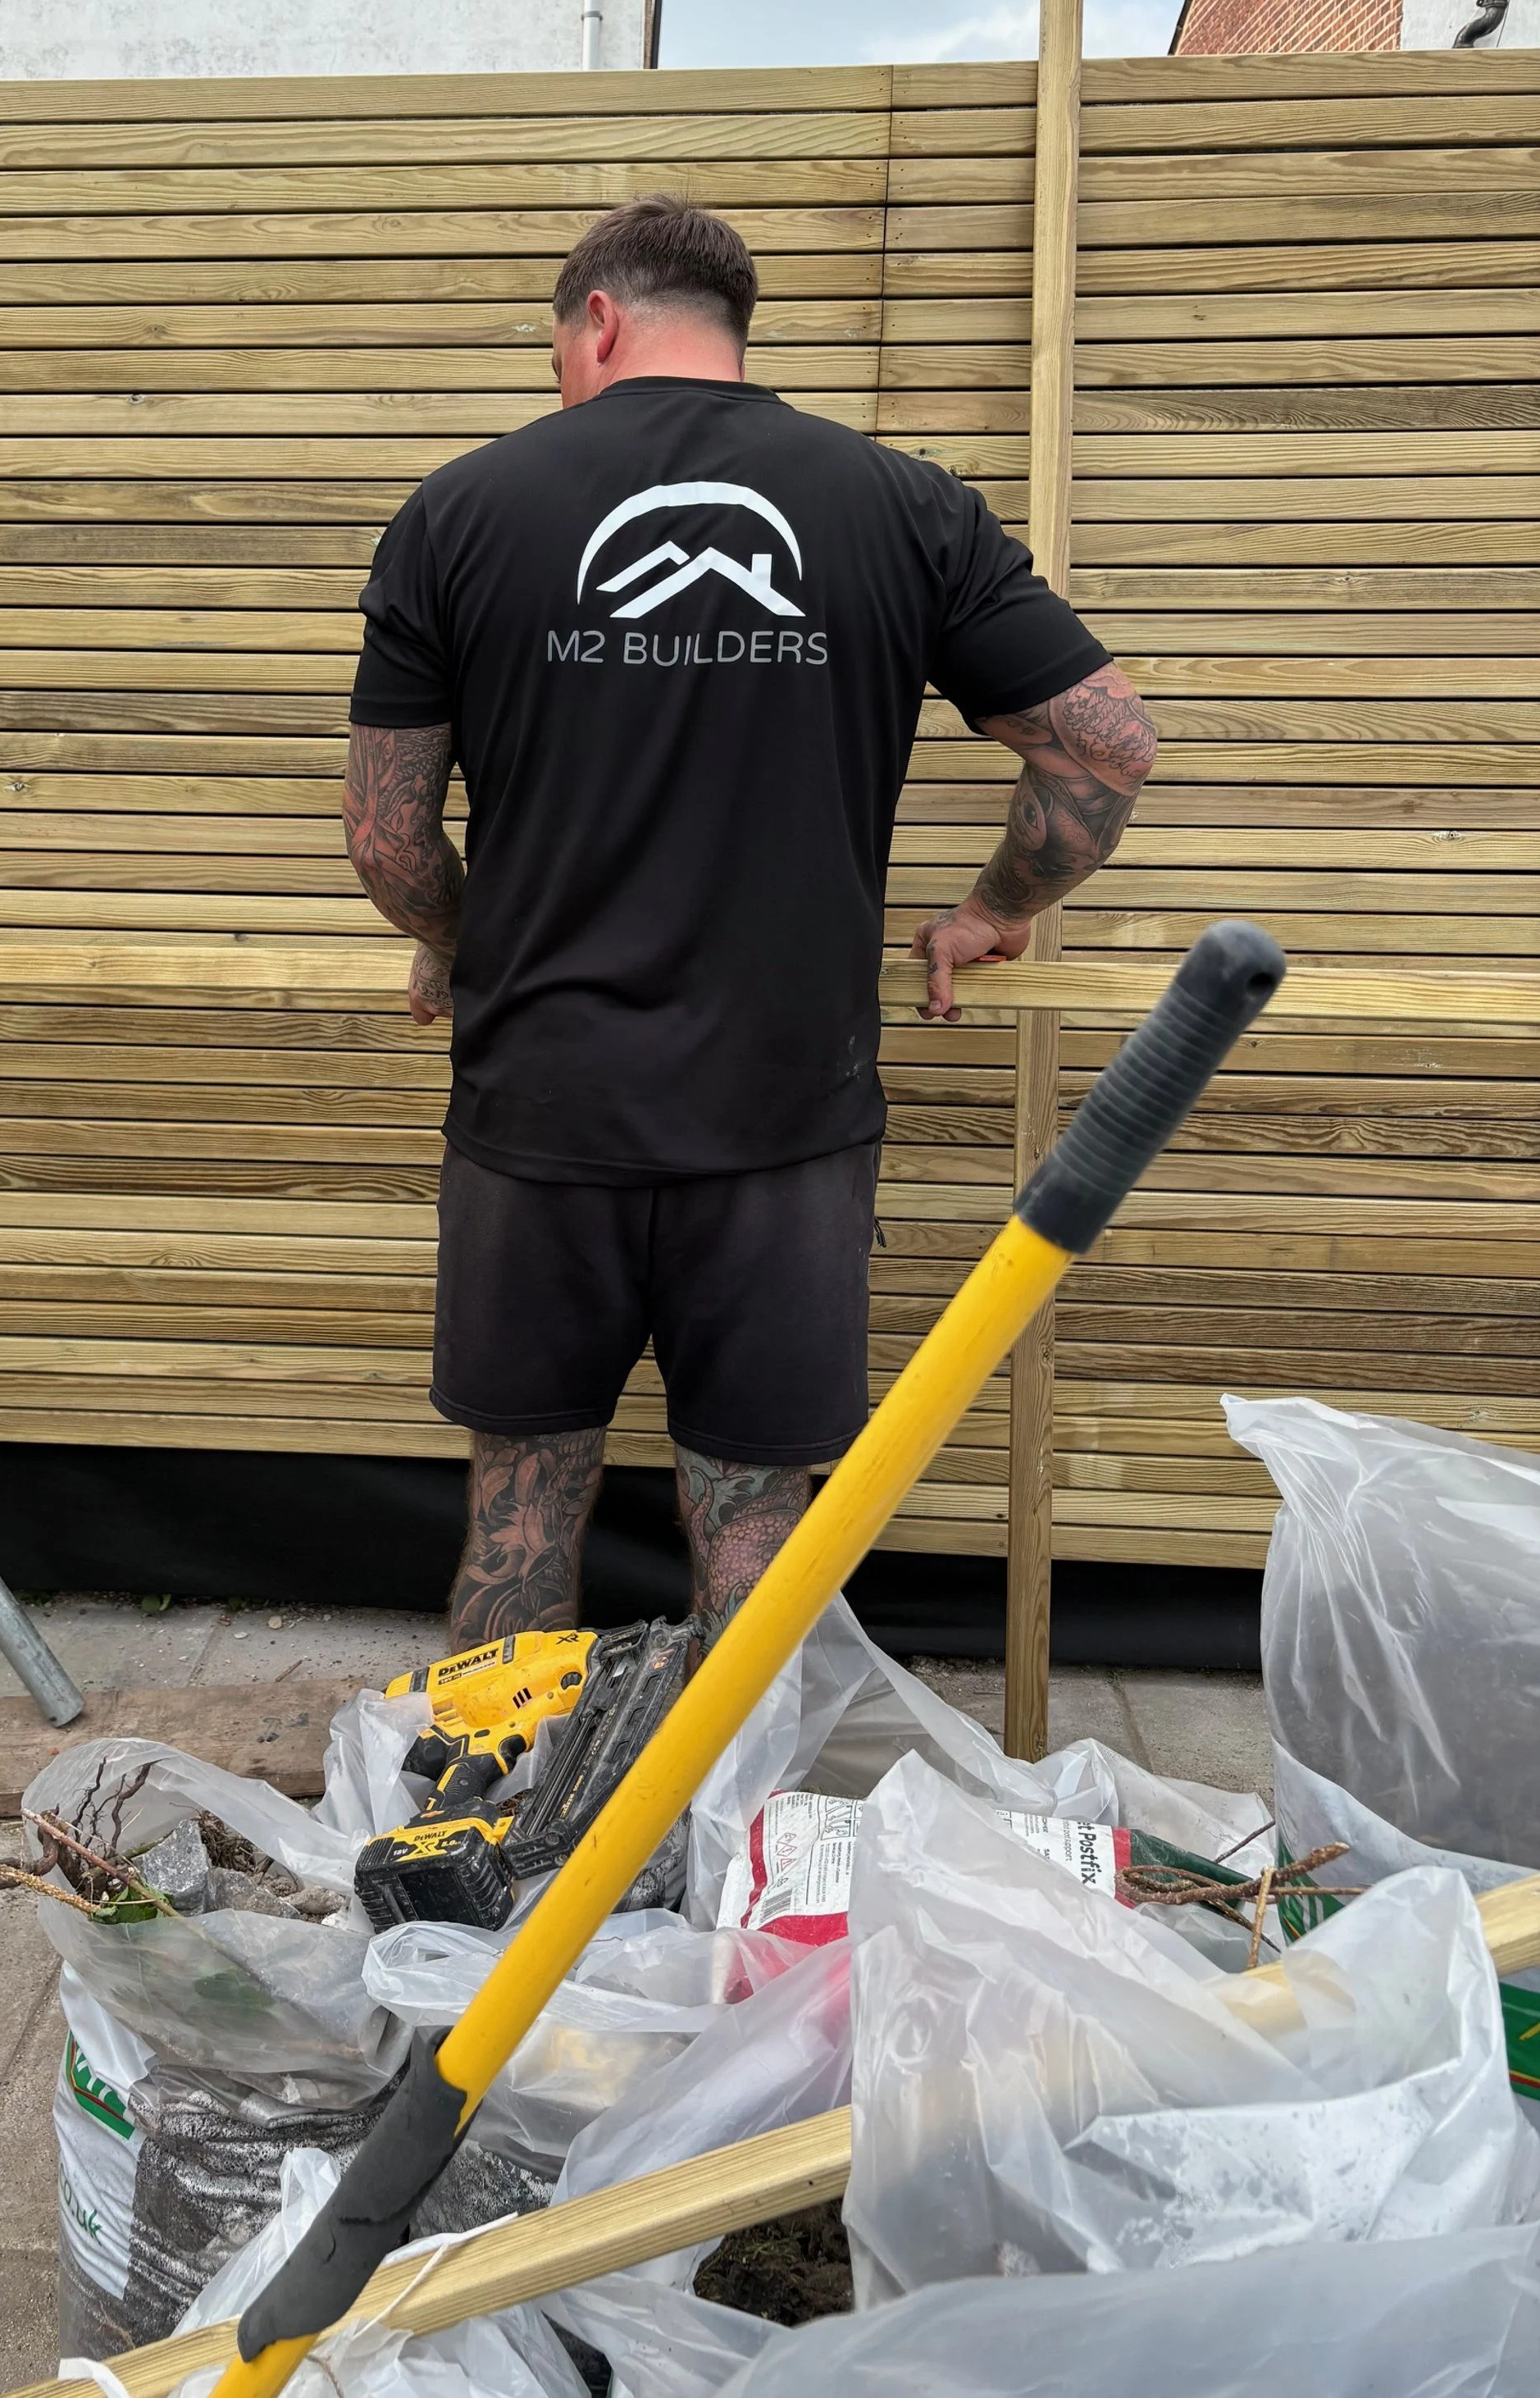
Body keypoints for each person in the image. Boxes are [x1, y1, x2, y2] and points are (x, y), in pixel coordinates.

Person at [342, 194, 1156, 1648]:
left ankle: (493, 1786)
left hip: (542, 1107)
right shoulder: (905, 507)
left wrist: (464, 945)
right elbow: (1105, 747)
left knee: (524, 1499)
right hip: (787, 1115)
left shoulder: (461, 511)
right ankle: (741, 1791)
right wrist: (991, 912)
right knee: (755, 1511)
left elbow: (389, 840)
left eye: (555, 351)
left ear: (598, 321)